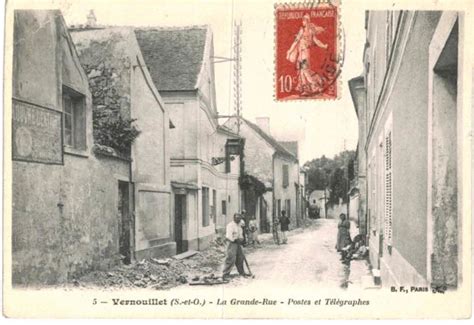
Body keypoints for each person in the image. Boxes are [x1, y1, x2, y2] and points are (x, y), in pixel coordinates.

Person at [286, 13, 328, 96]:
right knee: (302, 71)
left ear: (307, 21)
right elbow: (297, 42)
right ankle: (306, 89)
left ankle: (316, 87)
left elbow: (296, 42)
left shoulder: (305, 31)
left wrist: (323, 46)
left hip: (304, 53)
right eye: (303, 20)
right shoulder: (307, 31)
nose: (302, 22)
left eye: (304, 21)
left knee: (305, 71)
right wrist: (323, 46)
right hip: (302, 54)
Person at [222, 213, 249, 280]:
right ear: (234, 218)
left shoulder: (239, 226)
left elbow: (241, 234)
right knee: (231, 258)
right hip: (232, 243)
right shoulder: (230, 225)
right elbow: (228, 236)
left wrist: (241, 240)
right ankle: (225, 274)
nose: (238, 219)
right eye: (237, 218)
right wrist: (234, 240)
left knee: (240, 258)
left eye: (239, 218)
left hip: (238, 243)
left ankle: (241, 272)